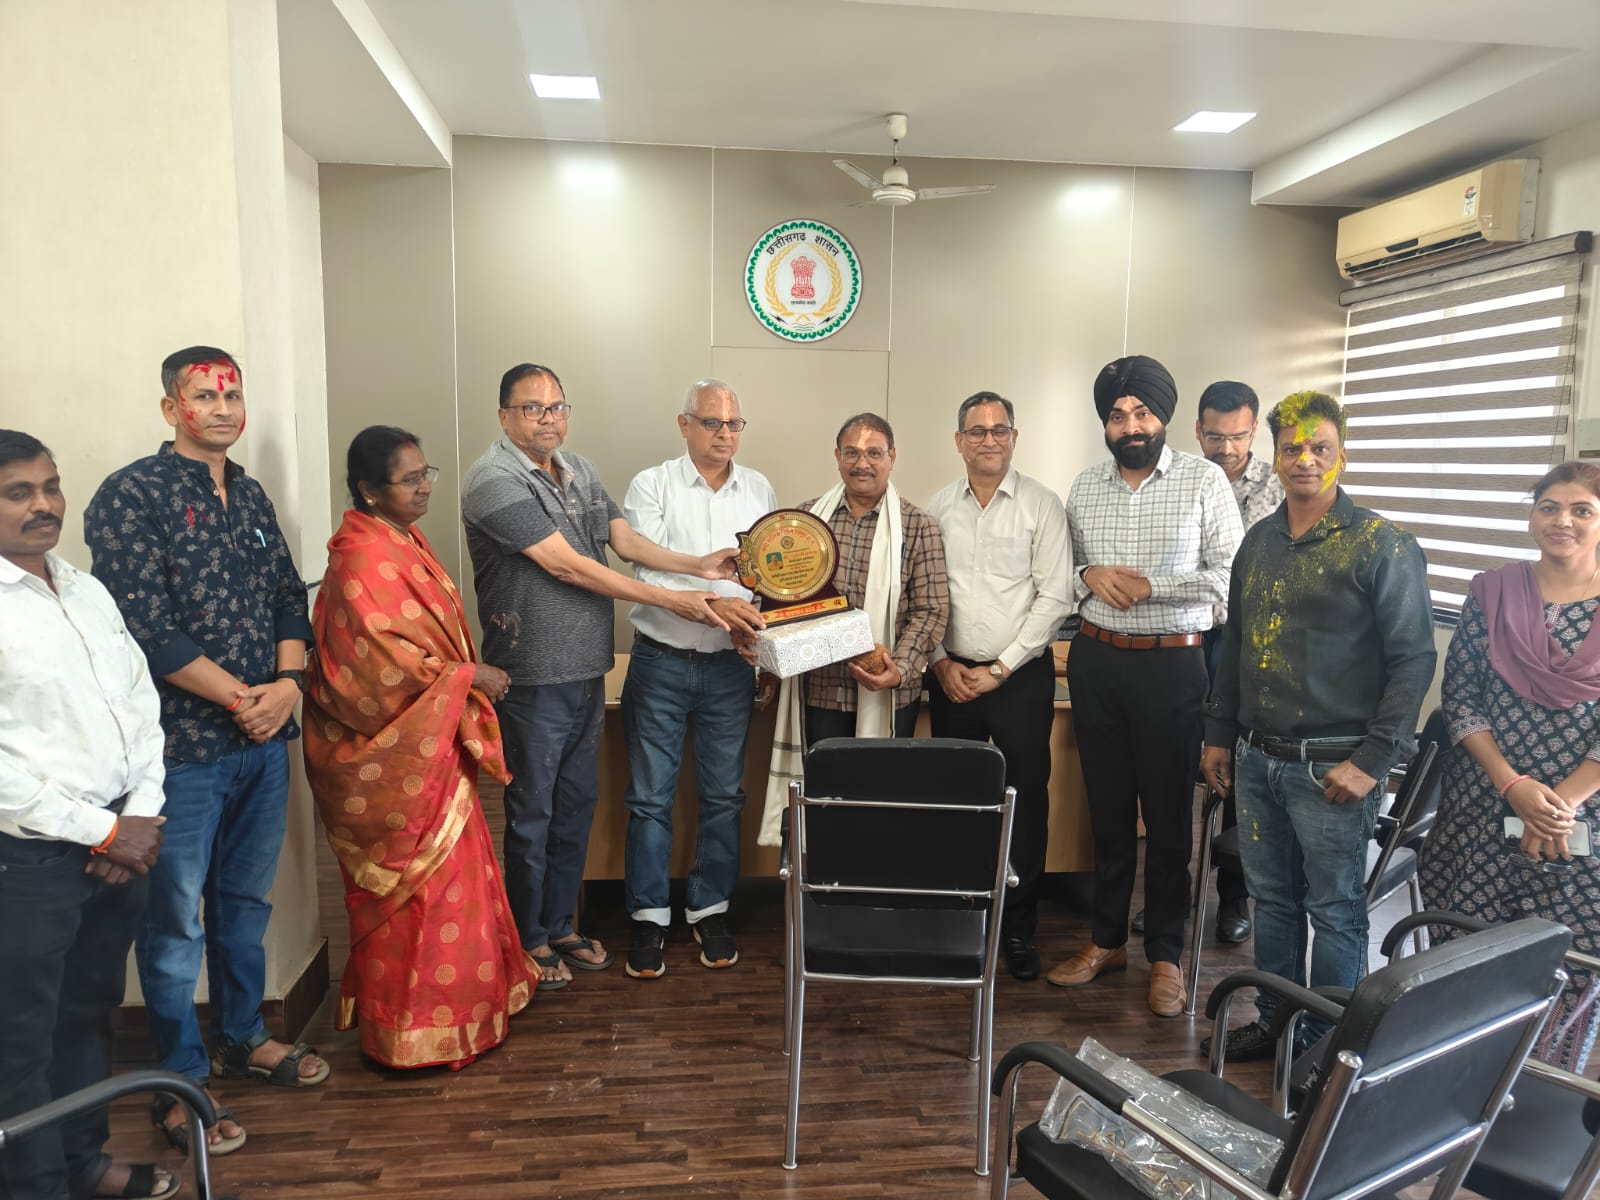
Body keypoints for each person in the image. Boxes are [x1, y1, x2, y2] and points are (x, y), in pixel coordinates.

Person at [85, 347, 325, 1157]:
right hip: (181, 752)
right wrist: (243, 700)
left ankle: (243, 1035)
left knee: (246, 904)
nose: (222, 408)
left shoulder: (248, 493)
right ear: (171, 408)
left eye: (232, 394)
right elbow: (143, 627)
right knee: (173, 926)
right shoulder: (131, 495)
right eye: (204, 395)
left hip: (264, 741)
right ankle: (179, 1080)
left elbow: (289, 595)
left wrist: (287, 685)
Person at [460, 363, 737, 990]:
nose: (548, 419)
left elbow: (625, 543)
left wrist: (699, 565)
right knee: (532, 814)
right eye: (532, 408)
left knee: (576, 807)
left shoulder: (579, 469)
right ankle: (529, 940)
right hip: (533, 675)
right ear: (504, 415)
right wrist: (672, 600)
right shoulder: (493, 480)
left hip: (588, 668)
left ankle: (561, 926)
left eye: (557, 407)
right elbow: (568, 566)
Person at [1202, 391, 1435, 1061]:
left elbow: (1414, 660)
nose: (1305, 459)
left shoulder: (1382, 545)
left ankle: (1329, 1047)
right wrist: (1218, 734)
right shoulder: (1258, 542)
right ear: (1274, 457)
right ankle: (1275, 1021)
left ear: (1341, 455)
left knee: (1334, 911)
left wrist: (1374, 760)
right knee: (1272, 902)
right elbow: (1237, 646)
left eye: (1320, 447)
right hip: (1257, 758)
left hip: (1335, 765)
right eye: (1292, 448)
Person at [302, 427, 533, 1069]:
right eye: (410, 479)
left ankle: (471, 1008)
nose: (425, 486)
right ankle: (410, 1033)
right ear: (369, 490)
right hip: (397, 755)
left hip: (432, 745)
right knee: (423, 894)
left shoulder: (401, 537)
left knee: (459, 881)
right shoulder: (360, 557)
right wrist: (469, 676)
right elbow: (377, 667)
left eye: (426, 473)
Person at [0, 431, 177, 1200]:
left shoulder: (84, 589)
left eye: (50, 486)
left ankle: (84, 1164)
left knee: (89, 1015)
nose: (43, 505)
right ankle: (37, 1188)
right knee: (19, 1043)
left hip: (119, 845)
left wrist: (138, 816)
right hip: (31, 858)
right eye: (18, 492)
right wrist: (103, 831)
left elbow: (138, 706)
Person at [1047, 355, 1242, 1017]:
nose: (1130, 425)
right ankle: (1105, 942)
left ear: (1163, 418)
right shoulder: (1084, 486)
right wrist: (1087, 576)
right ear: (1104, 424)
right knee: (1106, 814)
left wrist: (1153, 585)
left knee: (1165, 820)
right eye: (1117, 415)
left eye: (1142, 413)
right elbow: (1064, 566)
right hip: (1096, 661)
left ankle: (1165, 954)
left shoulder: (1202, 481)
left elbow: (1230, 578)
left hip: (1172, 665)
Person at [1420, 460, 1600, 1072]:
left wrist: (1561, 804)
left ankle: (1540, 1086)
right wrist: (1513, 785)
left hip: (1581, 818)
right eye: (1549, 507)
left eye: (1581, 510)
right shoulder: (1492, 592)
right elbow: (1461, 697)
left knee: (1567, 957)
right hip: (1482, 799)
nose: (1562, 520)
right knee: (1469, 945)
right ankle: (1454, 1080)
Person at [619, 380, 776, 979]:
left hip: (729, 668)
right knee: (649, 798)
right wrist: (715, 600)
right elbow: (645, 568)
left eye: (734, 424)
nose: (724, 434)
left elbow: (766, 575)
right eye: (711, 423)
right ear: (684, 424)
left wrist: (759, 634)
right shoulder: (652, 484)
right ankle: (648, 916)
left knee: (723, 796)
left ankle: (710, 908)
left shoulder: (759, 489)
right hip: (660, 661)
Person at [926, 391, 1071, 982]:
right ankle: (964, 918)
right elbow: (921, 593)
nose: (989, 439)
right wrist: (940, 662)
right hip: (952, 677)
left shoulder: (1042, 505)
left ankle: (1018, 926)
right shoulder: (936, 509)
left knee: (1025, 800)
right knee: (958, 802)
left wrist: (1002, 668)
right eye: (977, 430)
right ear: (958, 441)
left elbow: (1055, 596)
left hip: (1019, 678)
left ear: (1015, 437)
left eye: (999, 429)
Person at [755, 413, 950, 847]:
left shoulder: (918, 526)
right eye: (852, 452)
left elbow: (932, 609)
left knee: (880, 801)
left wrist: (899, 668)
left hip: (889, 691)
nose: (863, 463)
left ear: (892, 457)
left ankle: (872, 888)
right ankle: (819, 886)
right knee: (820, 803)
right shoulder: (805, 521)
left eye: (874, 453)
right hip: (819, 691)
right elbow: (777, 595)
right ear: (837, 456)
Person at [1193, 380, 1284, 945]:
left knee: (1237, 774)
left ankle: (1234, 899)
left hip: (1248, 645)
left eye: (1237, 436)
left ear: (1253, 432)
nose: (1225, 448)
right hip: (1186, 640)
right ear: (1198, 431)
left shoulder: (1279, 488)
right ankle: (1175, 897)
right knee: (1179, 764)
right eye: (1214, 436)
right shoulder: (1181, 481)